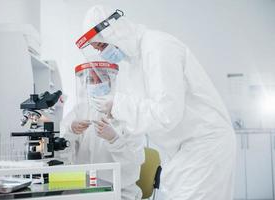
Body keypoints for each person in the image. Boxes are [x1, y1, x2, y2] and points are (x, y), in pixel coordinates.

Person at [75, 5, 236, 200]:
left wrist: (118, 106)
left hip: (203, 145)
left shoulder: (157, 47)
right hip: (182, 152)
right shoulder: (134, 62)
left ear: (113, 32)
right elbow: (147, 111)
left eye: (101, 46)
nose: (103, 54)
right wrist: (117, 115)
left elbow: (167, 114)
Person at [60, 62, 144, 200]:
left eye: (101, 78)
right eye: (90, 80)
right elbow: (61, 154)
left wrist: (114, 140)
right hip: (83, 189)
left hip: (119, 192)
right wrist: (70, 131)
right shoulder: (81, 110)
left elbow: (134, 163)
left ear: (112, 80)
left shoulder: (128, 113)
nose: (96, 84)